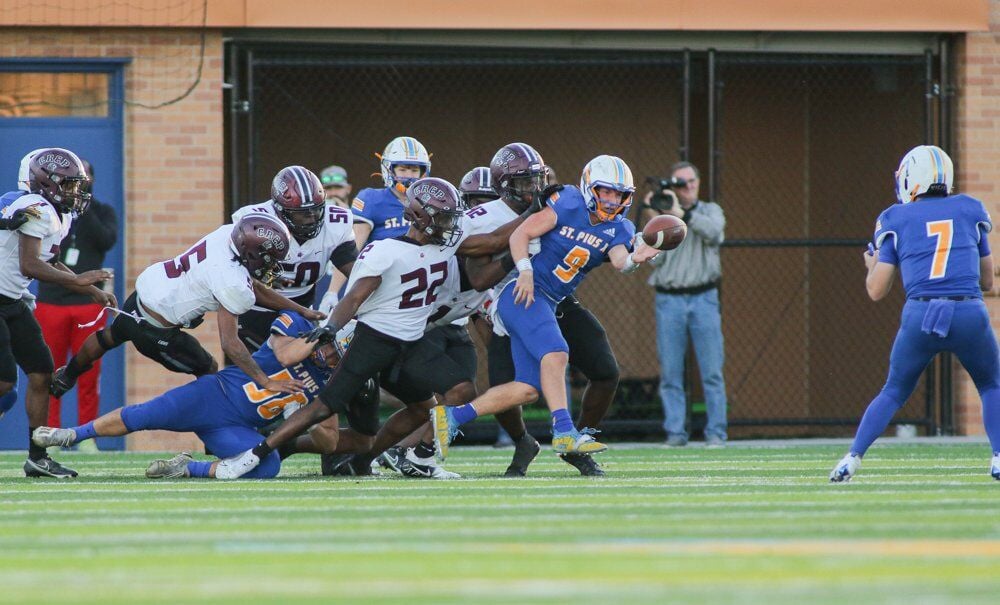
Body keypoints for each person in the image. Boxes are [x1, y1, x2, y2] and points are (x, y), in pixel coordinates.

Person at [212, 177, 467, 480]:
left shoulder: (445, 248)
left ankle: (372, 461)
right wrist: (331, 327)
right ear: (422, 217)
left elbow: (487, 241)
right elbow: (356, 295)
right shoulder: (386, 250)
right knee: (323, 407)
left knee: (439, 400)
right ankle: (254, 455)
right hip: (375, 340)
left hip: (410, 344)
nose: (451, 225)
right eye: (445, 217)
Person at [433, 155, 659, 461]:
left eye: (618, 194)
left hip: (549, 301)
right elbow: (520, 234)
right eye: (605, 191)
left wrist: (640, 257)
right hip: (523, 292)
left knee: (527, 389)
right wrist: (525, 270)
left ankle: (451, 418)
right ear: (590, 187)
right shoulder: (567, 202)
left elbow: (622, 263)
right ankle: (565, 432)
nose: (611, 199)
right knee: (556, 352)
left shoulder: (620, 228)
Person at [831, 145, 1000, 482]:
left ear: (911, 178)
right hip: (968, 311)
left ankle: (852, 458)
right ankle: (998, 457)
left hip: (920, 314)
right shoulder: (970, 209)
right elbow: (987, 281)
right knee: (991, 385)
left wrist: (872, 264)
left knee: (894, 390)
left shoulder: (895, 217)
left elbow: (876, 290)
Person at [32, 310, 346, 479]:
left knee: (268, 466)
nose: (328, 357)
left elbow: (329, 440)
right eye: (330, 347)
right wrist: (316, 337)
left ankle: (185, 467)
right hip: (216, 395)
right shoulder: (299, 324)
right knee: (146, 415)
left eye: (337, 357)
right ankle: (70, 435)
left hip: (236, 428)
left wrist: (305, 421)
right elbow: (283, 352)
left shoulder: (332, 380)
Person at [50, 213, 321, 401]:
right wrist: (265, 381)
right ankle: (213, 438)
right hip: (156, 330)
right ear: (250, 252)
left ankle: (67, 375)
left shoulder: (228, 235)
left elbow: (254, 286)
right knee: (209, 368)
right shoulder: (232, 282)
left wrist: (300, 310)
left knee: (109, 336)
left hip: (147, 291)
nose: (272, 266)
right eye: (269, 259)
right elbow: (231, 344)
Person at [0, 147, 115, 478]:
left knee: (42, 373)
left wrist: (89, 289)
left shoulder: (57, 213)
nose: (74, 192)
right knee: (5, 382)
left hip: (12, 298)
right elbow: (29, 264)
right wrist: (79, 278)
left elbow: (48, 259)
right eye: (67, 185)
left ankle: (38, 457)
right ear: (43, 183)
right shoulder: (34, 207)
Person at [640, 161, 727, 448]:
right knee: (671, 372)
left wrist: (682, 214)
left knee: (712, 371)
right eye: (681, 182)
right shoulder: (662, 217)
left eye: (691, 181)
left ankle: (716, 433)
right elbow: (653, 257)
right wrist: (656, 217)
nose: (687, 187)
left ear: (698, 183)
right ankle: (675, 433)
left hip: (704, 298)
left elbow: (714, 233)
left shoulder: (710, 211)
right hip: (669, 299)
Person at [230, 166, 356, 353]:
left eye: (316, 210)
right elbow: (242, 278)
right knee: (261, 370)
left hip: (301, 309)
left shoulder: (336, 222)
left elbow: (358, 274)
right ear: (280, 210)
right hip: (256, 308)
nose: (311, 218)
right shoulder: (255, 221)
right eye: (302, 213)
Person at [35, 159, 118, 442]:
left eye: (85, 178)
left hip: (87, 304)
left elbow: (106, 240)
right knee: (48, 368)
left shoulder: (102, 211)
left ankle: (86, 435)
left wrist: (85, 207)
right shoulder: (52, 211)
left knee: (87, 371)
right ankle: (50, 430)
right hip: (51, 302)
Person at [350, 136, 430, 247]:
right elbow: (354, 249)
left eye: (414, 170)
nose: (409, 176)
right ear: (388, 170)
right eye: (402, 170)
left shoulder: (431, 201)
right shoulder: (371, 200)